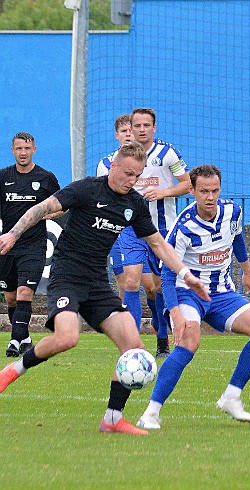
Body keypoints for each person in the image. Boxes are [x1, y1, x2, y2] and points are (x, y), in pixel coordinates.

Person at [0, 142, 209, 435]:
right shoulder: (86, 189)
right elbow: (41, 209)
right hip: (67, 277)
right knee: (67, 337)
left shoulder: (134, 203)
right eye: (127, 173)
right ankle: (12, 371)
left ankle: (112, 419)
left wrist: (186, 273)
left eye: (137, 175)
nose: (131, 180)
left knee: (133, 347)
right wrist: (13, 233)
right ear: (113, 166)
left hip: (97, 283)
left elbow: (158, 243)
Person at [137, 164, 250, 429]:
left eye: (214, 191)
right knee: (190, 340)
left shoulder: (232, 211)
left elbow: (237, 240)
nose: (210, 197)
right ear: (191, 191)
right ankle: (151, 412)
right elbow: (168, 274)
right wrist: (175, 313)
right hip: (185, 292)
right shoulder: (183, 226)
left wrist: (247, 273)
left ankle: (231, 396)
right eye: (203, 192)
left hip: (221, 292)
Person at [122, 107, 191, 358]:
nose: (141, 130)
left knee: (158, 288)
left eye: (146, 125)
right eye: (137, 126)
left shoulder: (167, 153)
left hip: (162, 229)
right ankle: (130, 343)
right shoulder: (123, 156)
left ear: (154, 128)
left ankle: (162, 336)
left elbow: (187, 184)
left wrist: (162, 193)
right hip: (131, 229)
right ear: (131, 129)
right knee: (132, 281)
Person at [0, 132, 60, 357]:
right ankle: (24, 337)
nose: (23, 153)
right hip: (7, 245)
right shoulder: (3, 176)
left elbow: (62, 205)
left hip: (34, 246)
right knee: (11, 297)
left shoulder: (45, 178)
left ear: (34, 149)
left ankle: (14, 341)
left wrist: (48, 215)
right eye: (18, 149)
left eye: (27, 148)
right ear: (12, 150)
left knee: (26, 292)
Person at [96, 114, 134, 301]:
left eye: (130, 130)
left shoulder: (149, 161)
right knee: (123, 279)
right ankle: (123, 319)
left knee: (153, 286)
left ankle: (159, 323)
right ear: (116, 135)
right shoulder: (105, 164)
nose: (128, 135)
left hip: (143, 228)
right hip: (117, 230)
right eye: (123, 131)